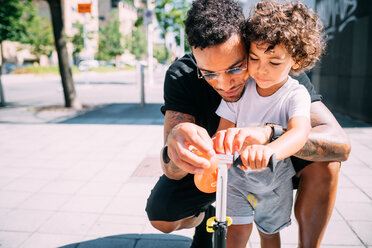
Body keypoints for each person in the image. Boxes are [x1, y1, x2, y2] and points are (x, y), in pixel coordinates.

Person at [145, 0, 351, 247]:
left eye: (236, 67)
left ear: (248, 44)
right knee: (163, 217)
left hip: (274, 166)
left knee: (326, 161)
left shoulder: (277, 65)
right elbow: (170, 168)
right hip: (218, 168)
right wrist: (177, 144)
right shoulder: (182, 75)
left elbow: (340, 144)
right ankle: (205, 216)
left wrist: (270, 136)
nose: (224, 84)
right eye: (209, 73)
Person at [214, 1, 325, 247]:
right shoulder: (242, 88)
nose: (261, 70)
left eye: (274, 62)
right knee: (235, 233)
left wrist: (269, 150)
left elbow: (299, 132)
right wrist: (215, 152)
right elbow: (223, 132)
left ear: (296, 61)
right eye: (254, 58)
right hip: (236, 178)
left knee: (269, 232)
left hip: (274, 181)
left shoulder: (295, 94)